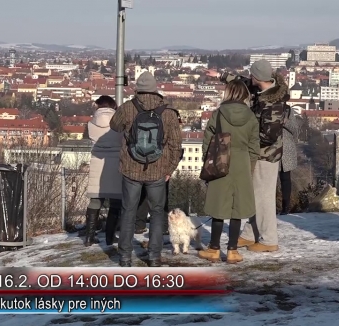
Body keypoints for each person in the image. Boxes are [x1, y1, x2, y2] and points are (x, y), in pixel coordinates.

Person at [110, 71, 182, 267]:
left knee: (128, 211)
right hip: (158, 170)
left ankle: (125, 256)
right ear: (155, 89)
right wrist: (169, 169)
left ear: (137, 88)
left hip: (131, 168)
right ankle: (154, 256)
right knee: (157, 212)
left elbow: (114, 126)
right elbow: (176, 145)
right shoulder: (168, 112)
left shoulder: (127, 108)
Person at [198, 80, 260, 264]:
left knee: (219, 207)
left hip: (220, 159)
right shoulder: (251, 117)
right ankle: (232, 250)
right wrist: (250, 167)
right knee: (237, 209)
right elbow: (254, 145)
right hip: (242, 162)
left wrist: (207, 160)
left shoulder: (218, 114)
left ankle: (214, 249)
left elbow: (208, 140)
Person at [237, 60, 289, 252]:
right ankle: (250, 234)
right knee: (256, 195)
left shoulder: (272, 102)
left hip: (266, 155)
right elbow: (242, 80)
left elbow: (269, 135)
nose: (250, 77)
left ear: (258, 77)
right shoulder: (266, 91)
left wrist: (247, 137)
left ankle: (268, 240)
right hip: (261, 153)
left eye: (252, 75)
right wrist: (223, 77)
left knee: (263, 197)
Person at [84, 96, 122, 247]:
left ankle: (89, 237)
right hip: (116, 163)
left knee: (95, 201)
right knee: (115, 203)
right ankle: (110, 236)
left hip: (97, 162)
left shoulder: (91, 123)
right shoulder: (120, 122)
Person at [279, 108, 299, 215]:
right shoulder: (267, 108)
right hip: (271, 148)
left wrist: (285, 122)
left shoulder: (288, 111)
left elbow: (295, 130)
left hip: (286, 150)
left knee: (285, 179)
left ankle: (285, 207)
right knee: (270, 180)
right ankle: (270, 206)